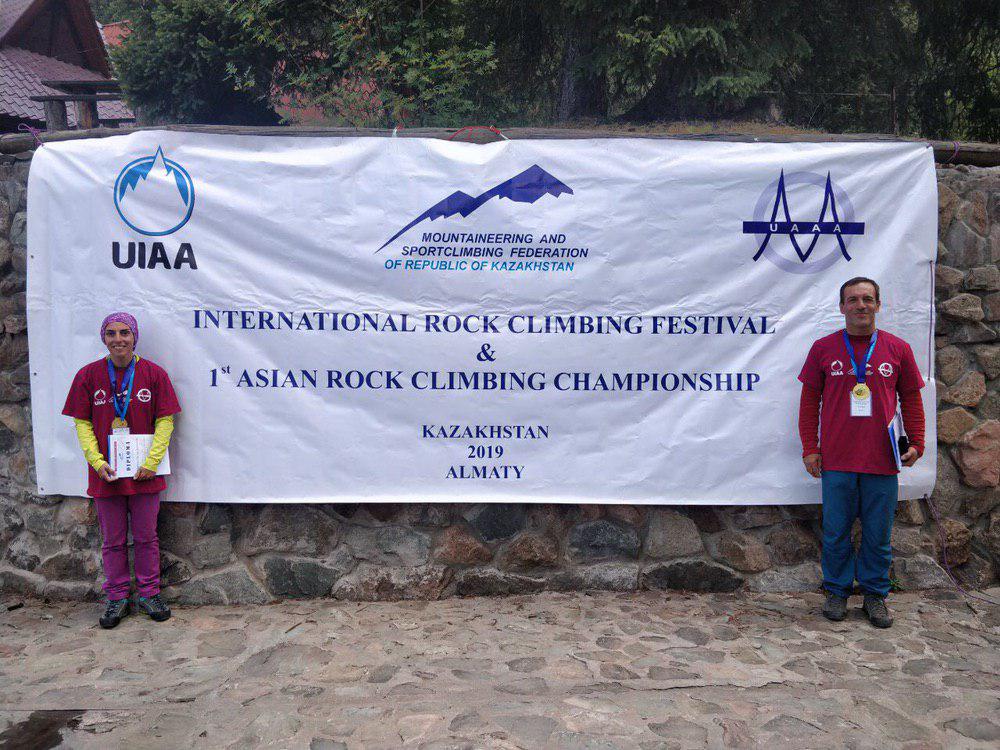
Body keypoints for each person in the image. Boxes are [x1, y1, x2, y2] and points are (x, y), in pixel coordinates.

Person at [797, 277, 925, 629]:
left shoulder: (897, 348)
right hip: (837, 459)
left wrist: (917, 442)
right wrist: (810, 448)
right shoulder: (823, 348)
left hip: (882, 460)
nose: (860, 305)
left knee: (877, 535)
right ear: (842, 307)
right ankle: (837, 591)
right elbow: (809, 403)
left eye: (867, 299)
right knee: (836, 532)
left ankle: (874, 595)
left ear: (878, 305)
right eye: (852, 300)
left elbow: (911, 398)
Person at [62, 313, 181, 629]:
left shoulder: (154, 374)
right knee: (112, 540)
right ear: (104, 337)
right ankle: (116, 597)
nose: (118, 339)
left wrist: (152, 462)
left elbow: (165, 421)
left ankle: (149, 594)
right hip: (107, 474)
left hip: (145, 473)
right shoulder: (87, 376)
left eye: (125, 333)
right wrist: (97, 462)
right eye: (112, 333)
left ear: (134, 336)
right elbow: (82, 423)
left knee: (146, 537)